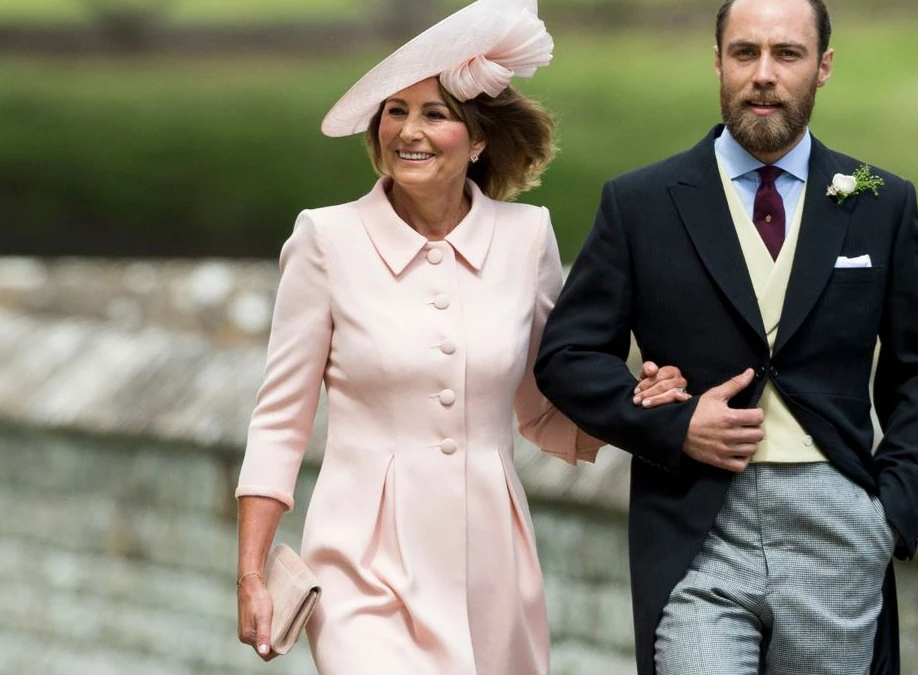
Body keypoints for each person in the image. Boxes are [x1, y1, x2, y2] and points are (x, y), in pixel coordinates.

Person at [232, 1, 689, 673]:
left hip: (491, 562)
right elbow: (279, 421)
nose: (408, 131)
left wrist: (636, 407)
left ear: (477, 140)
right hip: (361, 562)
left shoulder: (526, 237)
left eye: (435, 113)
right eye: (395, 111)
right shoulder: (325, 239)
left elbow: (544, 410)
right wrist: (250, 573)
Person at [534, 0, 918, 672]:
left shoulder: (880, 202)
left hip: (838, 523)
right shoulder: (640, 203)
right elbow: (567, 355)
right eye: (745, 52)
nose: (764, 73)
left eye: (787, 54)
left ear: (823, 66)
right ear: (718, 63)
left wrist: (892, 513)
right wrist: (672, 424)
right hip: (696, 525)